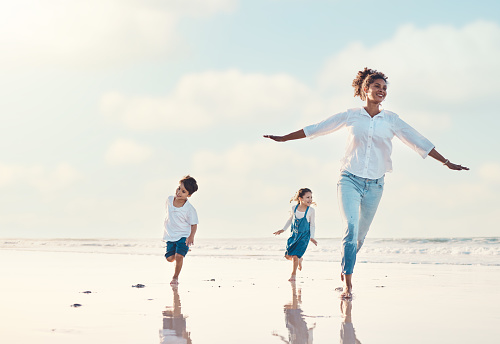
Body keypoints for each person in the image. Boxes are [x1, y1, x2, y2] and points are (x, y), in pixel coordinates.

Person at [264, 67, 469, 299]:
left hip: (375, 185)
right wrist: (284, 138)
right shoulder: (352, 115)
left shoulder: (392, 120)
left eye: (384, 88)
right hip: (349, 179)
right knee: (350, 230)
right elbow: (318, 128)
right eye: (377, 87)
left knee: (359, 237)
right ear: (365, 89)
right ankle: (348, 285)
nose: (381, 91)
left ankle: (345, 265)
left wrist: (446, 162)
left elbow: (418, 141)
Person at [274, 188, 318, 282]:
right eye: (307, 197)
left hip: (304, 237)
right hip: (294, 235)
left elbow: (312, 225)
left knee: (295, 256)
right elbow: (290, 219)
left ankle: (293, 275)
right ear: (300, 198)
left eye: (311, 197)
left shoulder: (311, 211)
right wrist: (283, 229)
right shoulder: (294, 208)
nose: (310, 199)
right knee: (287, 255)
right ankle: (299, 260)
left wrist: (312, 237)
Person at [163, 175, 199, 286]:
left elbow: (194, 224)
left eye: (183, 191)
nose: (179, 192)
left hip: (184, 236)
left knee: (179, 256)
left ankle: (175, 277)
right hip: (171, 235)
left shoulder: (189, 209)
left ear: (189, 195)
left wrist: (191, 236)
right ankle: (183, 250)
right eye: (179, 188)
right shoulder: (169, 200)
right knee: (169, 258)